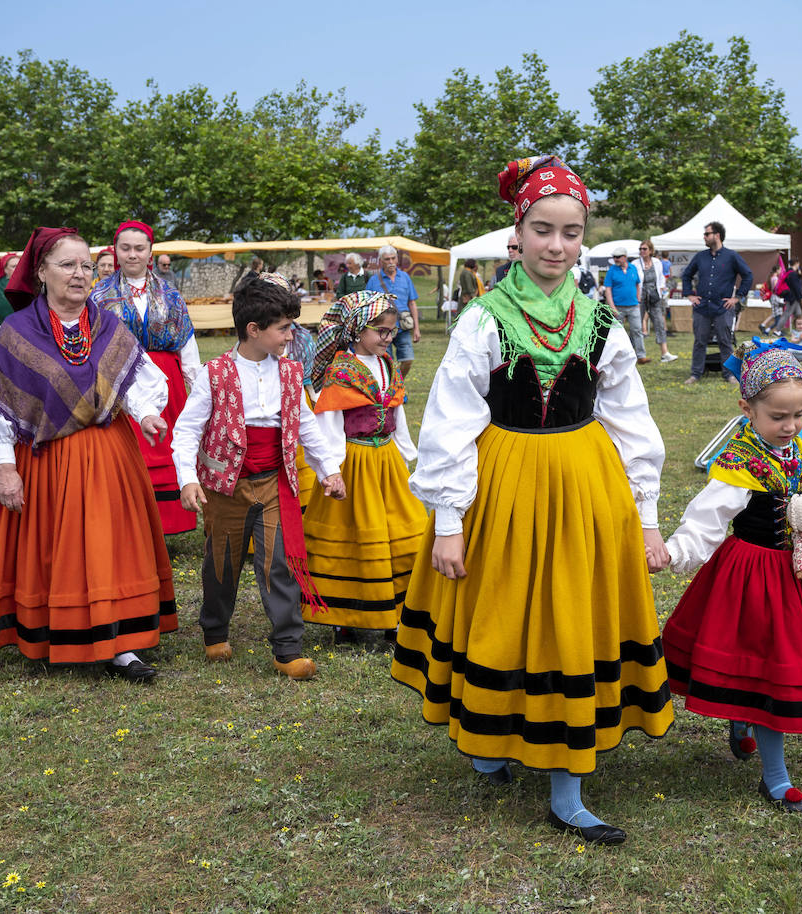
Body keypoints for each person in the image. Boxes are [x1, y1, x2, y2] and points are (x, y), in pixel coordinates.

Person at [392, 154, 673, 845]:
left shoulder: (601, 321)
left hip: (584, 488)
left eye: (571, 232)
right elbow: (452, 422)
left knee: (572, 620)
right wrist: (450, 522)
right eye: (542, 230)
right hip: (505, 486)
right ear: (516, 235)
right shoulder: (484, 319)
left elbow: (631, 419)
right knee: (507, 613)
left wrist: (646, 518)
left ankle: (567, 787)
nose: (556, 246)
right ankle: (491, 735)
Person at [0, 226, 176, 682]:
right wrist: (7, 471)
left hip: (109, 454)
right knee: (57, 551)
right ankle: (55, 633)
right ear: (41, 272)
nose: (80, 275)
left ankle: (122, 645)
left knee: (110, 546)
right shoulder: (17, 333)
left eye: (86, 266)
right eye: (67, 265)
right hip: (46, 463)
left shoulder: (107, 323)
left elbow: (132, 380)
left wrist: (147, 413)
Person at [658, 341, 802, 813]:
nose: (790, 427)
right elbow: (705, 522)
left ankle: (765, 758)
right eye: (777, 417)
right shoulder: (739, 462)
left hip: (798, 578)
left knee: (778, 667)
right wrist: (671, 554)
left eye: (799, 415)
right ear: (747, 409)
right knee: (760, 662)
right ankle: (773, 772)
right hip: (749, 577)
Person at [173, 272, 346, 679]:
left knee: (278, 565)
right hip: (225, 490)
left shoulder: (289, 372)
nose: (290, 336)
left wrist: (329, 470)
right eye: (284, 328)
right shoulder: (213, 374)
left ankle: (287, 648)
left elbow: (306, 426)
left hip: (273, 483)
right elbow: (187, 430)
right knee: (222, 566)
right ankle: (214, 630)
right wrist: (187, 478)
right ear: (254, 329)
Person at [303, 290, 426, 647]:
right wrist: (332, 468)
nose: (389, 339)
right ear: (358, 330)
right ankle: (344, 618)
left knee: (400, 531)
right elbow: (330, 421)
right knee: (355, 535)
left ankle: (395, 613)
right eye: (382, 332)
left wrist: (405, 452)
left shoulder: (388, 365)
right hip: (354, 463)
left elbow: (397, 410)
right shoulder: (341, 370)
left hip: (386, 460)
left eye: (392, 332)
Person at [89, 220, 200, 535]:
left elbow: (186, 345)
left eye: (139, 248)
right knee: (129, 453)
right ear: (116, 250)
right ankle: (133, 526)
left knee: (166, 448)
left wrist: (199, 390)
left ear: (150, 252)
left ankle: (169, 524)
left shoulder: (170, 294)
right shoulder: (98, 295)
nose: (132, 255)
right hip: (120, 379)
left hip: (166, 381)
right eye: (125, 248)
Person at [681, 221, 752, 384]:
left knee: (725, 342)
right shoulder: (700, 256)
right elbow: (686, 275)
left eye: (707, 234)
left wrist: (738, 297)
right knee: (699, 341)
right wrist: (689, 295)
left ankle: (729, 375)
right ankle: (695, 374)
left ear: (717, 235)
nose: (704, 237)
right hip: (702, 307)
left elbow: (748, 275)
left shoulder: (732, 256)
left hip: (723, 307)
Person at [365, 244, 421, 377]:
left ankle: (397, 384)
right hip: (382, 329)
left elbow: (412, 303)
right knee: (385, 363)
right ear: (381, 261)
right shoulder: (373, 280)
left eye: (393, 258)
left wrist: (417, 329)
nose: (390, 262)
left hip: (403, 327)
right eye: (387, 259)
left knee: (407, 360)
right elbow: (368, 305)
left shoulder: (405, 277)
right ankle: (390, 388)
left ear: (397, 259)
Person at [603, 246, 648, 364]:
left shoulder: (633, 268)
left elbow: (638, 284)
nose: (615, 259)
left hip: (633, 306)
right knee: (618, 333)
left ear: (625, 257)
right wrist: (612, 307)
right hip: (618, 307)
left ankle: (641, 356)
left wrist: (638, 298)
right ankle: (621, 357)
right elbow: (608, 289)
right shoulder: (612, 270)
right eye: (614, 257)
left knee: (637, 330)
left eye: (618, 257)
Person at [638, 240, 674, 362]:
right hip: (640, 297)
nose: (642, 251)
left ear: (651, 251)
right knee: (637, 325)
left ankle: (665, 353)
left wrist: (662, 289)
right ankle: (633, 353)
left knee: (659, 323)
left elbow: (661, 278)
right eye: (640, 249)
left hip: (654, 296)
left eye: (644, 249)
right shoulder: (636, 263)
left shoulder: (657, 263)